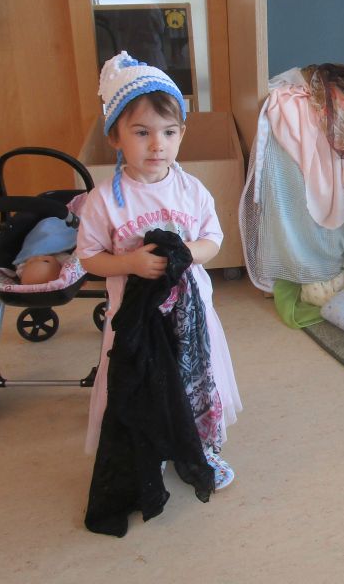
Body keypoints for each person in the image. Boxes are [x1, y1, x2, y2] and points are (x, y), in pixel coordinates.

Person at [77, 50, 241, 491]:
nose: (157, 145)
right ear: (115, 137)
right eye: (141, 132)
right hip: (138, 320)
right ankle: (151, 445)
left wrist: (186, 252)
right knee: (145, 383)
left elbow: (213, 240)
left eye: (169, 132)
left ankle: (200, 444)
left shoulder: (191, 190)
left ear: (181, 133)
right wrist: (129, 263)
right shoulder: (104, 200)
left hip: (191, 316)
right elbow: (89, 257)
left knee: (195, 379)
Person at [13, 216, 77, 285]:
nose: (39, 257)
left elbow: (19, 270)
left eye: (31, 262)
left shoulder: (23, 266)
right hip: (57, 235)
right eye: (46, 261)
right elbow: (73, 261)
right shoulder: (59, 259)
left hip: (34, 245)